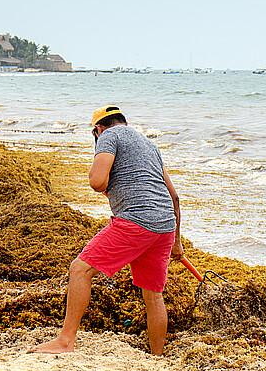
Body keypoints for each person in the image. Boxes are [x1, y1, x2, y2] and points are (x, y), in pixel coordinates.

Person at [30, 106, 184, 357]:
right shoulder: (149, 145)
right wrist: (177, 243)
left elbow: (97, 182)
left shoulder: (108, 137)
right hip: (165, 225)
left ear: (98, 129)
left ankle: (65, 341)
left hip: (136, 221)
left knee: (80, 269)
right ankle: (158, 355)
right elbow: (175, 197)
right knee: (153, 296)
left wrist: (101, 169)